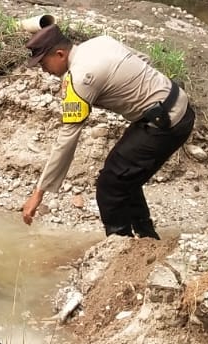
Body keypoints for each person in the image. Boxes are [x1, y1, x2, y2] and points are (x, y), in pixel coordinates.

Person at [20, 20, 194, 240]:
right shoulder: (100, 43)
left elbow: (67, 140)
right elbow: (144, 60)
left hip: (165, 123)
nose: (44, 71)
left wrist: (38, 194)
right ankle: (147, 238)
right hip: (177, 103)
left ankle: (120, 249)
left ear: (61, 54)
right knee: (123, 175)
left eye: (44, 64)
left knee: (109, 186)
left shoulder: (80, 79)